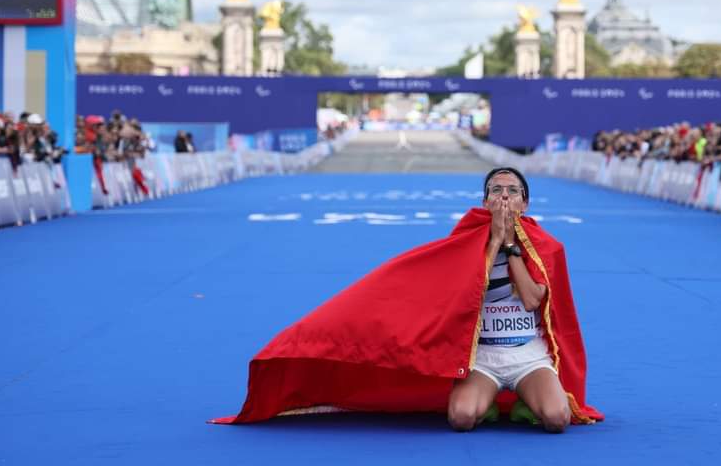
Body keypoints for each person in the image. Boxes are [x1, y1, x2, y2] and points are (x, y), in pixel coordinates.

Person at [212, 167, 602, 430]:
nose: (503, 197)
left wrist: (512, 244)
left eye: (512, 191)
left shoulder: (545, 246)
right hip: (481, 357)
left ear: (525, 203)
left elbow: (534, 300)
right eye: (495, 191)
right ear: (484, 202)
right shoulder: (467, 241)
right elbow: (461, 295)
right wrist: (495, 240)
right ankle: (486, 402)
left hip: (526, 354)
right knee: (461, 419)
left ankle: (522, 401)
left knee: (556, 420)